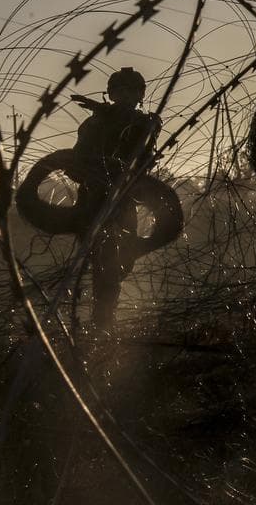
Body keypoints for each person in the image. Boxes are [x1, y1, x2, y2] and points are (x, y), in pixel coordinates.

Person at [70, 67, 162, 333]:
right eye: (120, 91)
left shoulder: (144, 124)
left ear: (139, 95)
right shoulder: (93, 124)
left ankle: (102, 318)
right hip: (95, 200)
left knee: (122, 260)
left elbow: (143, 159)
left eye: (131, 91)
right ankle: (102, 322)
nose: (125, 96)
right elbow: (76, 164)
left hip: (122, 200)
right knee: (102, 262)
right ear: (111, 94)